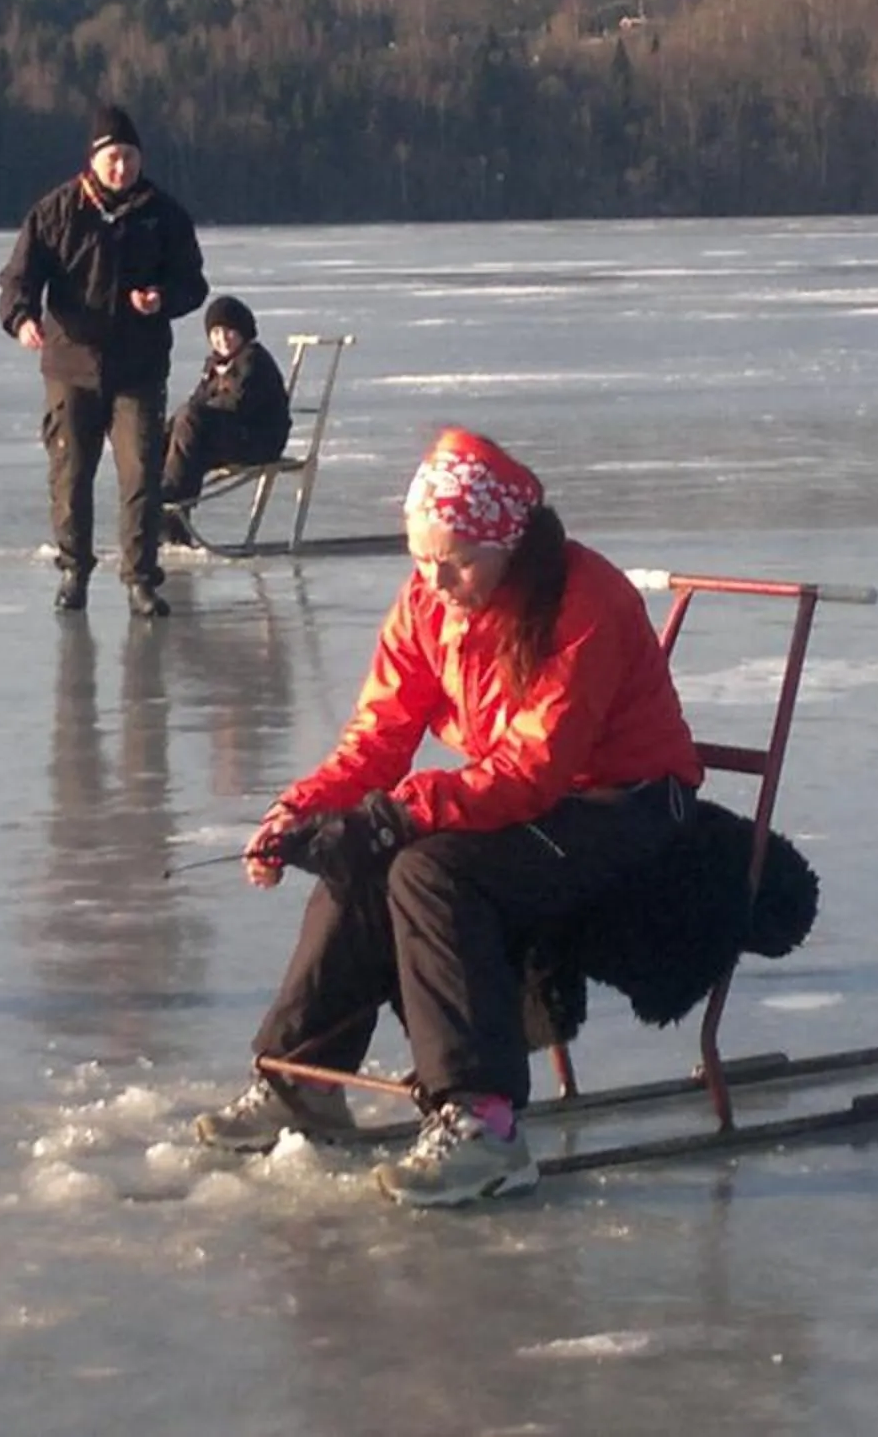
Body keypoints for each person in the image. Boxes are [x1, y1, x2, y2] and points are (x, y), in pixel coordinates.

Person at [191, 429, 705, 1206]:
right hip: (527, 795)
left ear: (508, 544)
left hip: (625, 803)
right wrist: (303, 810)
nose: (436, 578)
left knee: (430, 868)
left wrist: (399, 815)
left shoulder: (585, 602)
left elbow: (535, 769)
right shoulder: (429, 603)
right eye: (421, 557)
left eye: (456, 559)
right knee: (360, 856)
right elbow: (378, 735)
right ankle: (302, 1076)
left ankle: (484, 1122)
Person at [0, 104, 209, 616]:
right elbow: (18, 279)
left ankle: (141, 579)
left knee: (140, 476)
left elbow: (193, 283)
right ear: (94, 159)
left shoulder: (163, 214)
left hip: (138, 369)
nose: (122, 168)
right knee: (71, 476)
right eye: (113, 158)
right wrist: (22, 318)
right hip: (71, 368)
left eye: (130, 157)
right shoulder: (56, 212)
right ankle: (74, 571)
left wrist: (162, 297)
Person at [157, 294, 292, 549]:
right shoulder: (215, 365)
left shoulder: (252, 361)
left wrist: (208, 400)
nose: (223, 338)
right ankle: (167, 518)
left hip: (258, 440)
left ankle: (172, 500)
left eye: (229, 331)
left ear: (243, 332)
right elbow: (197, 402)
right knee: (173, 432)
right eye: (216, 332)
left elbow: (235, 405)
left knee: (190, 421)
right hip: (229, 435)